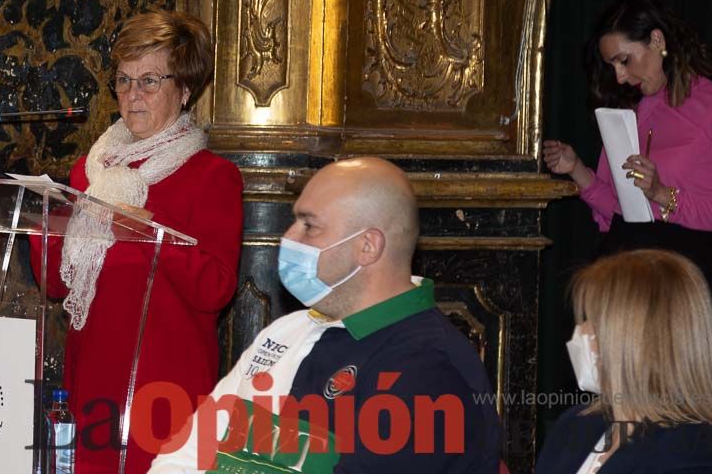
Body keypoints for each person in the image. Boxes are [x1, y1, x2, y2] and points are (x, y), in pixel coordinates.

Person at [145, 157, 501, 473]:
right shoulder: (289, 330)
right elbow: (187, 451)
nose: (288, 237)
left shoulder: (429, 369)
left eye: (309, 226)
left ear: (367, 246)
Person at [31, 9, 244, 474]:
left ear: (185, 89)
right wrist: (39, 221)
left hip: (166, 395)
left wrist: (151, 227)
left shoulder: (212, 177)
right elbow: (55, 284)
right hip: (89, 389)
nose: (132, 96)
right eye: (123, 81)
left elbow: (216, 289)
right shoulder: (90, 172)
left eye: (149, 81)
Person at [542, 0, 712, 363]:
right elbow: (619, 208)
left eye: (624, 60)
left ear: (657, 42)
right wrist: (577, 169)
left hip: (682, 281)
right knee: (608, 397)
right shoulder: (631, 111)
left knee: (675, 407)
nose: (620, 77)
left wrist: (663, 194)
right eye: (613, 65)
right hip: (622, 274)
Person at [535, 249, 712, 473]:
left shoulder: (697, 455)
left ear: (638, 341)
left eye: (594, 321)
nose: (581, 331)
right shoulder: (575, 425)